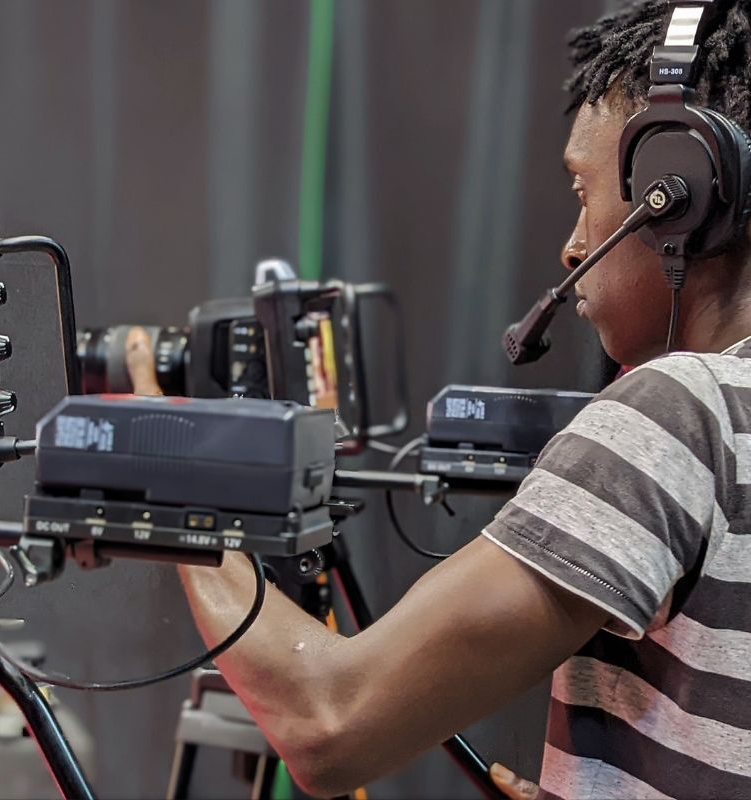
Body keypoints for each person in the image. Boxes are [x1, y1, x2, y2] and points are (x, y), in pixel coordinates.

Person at [128, 2, 751, 797]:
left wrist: (169, 477)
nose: (572, 246)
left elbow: (327, 722)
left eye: (582, 189)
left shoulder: (678, 414)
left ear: (678, 195)